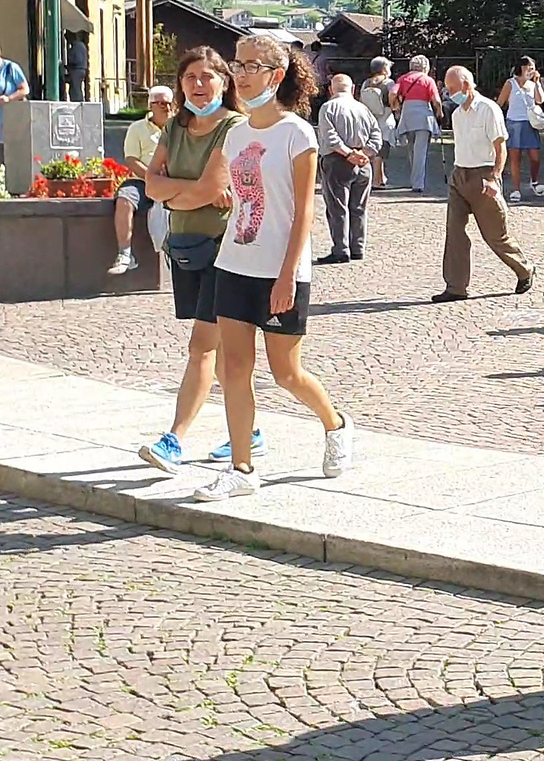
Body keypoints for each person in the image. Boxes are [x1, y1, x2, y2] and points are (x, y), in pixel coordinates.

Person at [193, 36, 355, 502]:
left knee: (285, 371)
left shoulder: (297, 134)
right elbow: (234, 193)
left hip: (281, 269)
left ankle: (336, 423)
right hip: (234, 262)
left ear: (276, 75)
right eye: (237, 65)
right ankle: (241, 467)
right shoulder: (237, 133)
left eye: (251, 66)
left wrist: (287, 274)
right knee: (234, 367)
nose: (240, 75)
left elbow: (303, 211)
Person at [137, 48, 255, 473]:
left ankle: (174, 440)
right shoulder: (175, 127)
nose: (198, 84)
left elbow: (210, 189)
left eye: (208, 76)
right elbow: (150, 186)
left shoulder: (234, 127)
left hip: (225, 249)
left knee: (202, 347)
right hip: (186, 246)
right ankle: (249, 428)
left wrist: (175, 191)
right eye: (190, 77)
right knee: (224, 349)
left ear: (224, 82)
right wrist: (185, 192)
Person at [432, 66, 534, 302]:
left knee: (495, 235)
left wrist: (495, 178)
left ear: (467, 84)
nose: (450, 94)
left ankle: (524, 268)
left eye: (453, 89)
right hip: (460, 175)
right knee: (454, 231)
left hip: (483, 175)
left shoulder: (489, 109)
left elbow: (500, 147)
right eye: (448, 90)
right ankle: (456, 286)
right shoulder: (457, 115)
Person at [316, 73, 382, 265]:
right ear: (352, 89)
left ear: (330, 89)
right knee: (359, 207)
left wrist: (348, 154)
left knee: (338, 207)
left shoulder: (328, 108)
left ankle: (341, 249)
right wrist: (363, 153)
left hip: (337, 162)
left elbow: (330, 137)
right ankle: (358, 247)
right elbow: (376, 136)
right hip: (363, 163)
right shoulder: (364, 109)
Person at [109, 85, 174, 274]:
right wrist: (152, 178)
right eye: (161, 103)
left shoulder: (179, 128)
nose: (166, 108)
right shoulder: (137, 128)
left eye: (169, 103)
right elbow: (131, 159)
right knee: (124, 200)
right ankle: (125, 254)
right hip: (142, 180)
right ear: (150, 105)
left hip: (173, 181)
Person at [497, 56, 544, 202]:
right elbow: (500, 102)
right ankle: (516, 189)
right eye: (529, 67)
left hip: (530, 123)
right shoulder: (510, 83)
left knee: (535, 158)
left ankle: (534, 181)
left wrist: (537, 83)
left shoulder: (532, 85)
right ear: (522, 67)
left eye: (533, 68)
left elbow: (540, 100)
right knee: (515, 158)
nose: (531, 70)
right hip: (514, 122)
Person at [394, 55, 444, 192]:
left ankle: (414, 179)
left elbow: (393, 93)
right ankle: (418, 184)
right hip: (423, 117)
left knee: (411, 149)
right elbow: (436, 100)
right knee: (420, 152)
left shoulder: (403, 79)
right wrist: (439, 113)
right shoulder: (428, 80)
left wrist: (395, 106)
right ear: (425, 67)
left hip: (408, 115)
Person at [358, 57, 394, 188]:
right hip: (385, 119)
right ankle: (376, 181)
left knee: (374, 149)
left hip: (369, 120)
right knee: (381, 151)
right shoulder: (388, 83)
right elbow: (393, 99)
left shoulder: (366, 83)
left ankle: (381, 177)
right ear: (384, 69)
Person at [65, 32, 88, 103]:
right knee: (77, 87)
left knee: (75, 89)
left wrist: (68, 65)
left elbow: (76, 59)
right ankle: (78, 101)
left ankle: (77, 102)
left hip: (76, 70)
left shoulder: (76, 46)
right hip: (81, 69)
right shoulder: (82, 45)